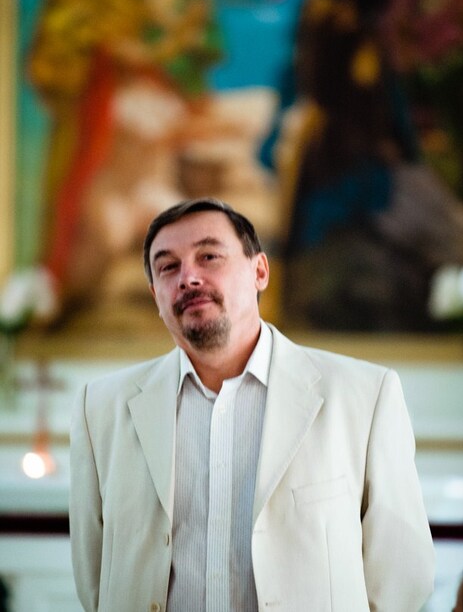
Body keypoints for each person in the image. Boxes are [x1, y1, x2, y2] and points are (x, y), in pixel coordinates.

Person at [70, 197, 435, 611]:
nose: (188, 277)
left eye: (209, 256)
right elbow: (94, 578)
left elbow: (403, 574)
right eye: (168, 267)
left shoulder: (364, 396)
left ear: (259, 271)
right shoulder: (100, 409)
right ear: (156, 296)